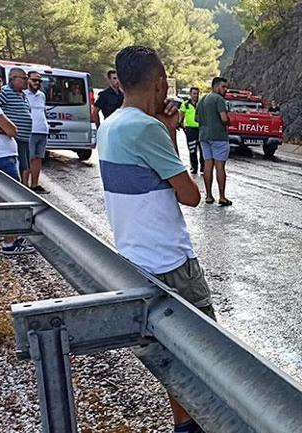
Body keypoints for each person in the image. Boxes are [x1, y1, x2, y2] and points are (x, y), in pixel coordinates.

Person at [97, 46, 215, 433]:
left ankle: (184, 425)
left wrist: (166, 131)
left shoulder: (112, 124)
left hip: (134, 261)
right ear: (160, 81)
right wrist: (170, 133)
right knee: (207, 358)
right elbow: (191, 195)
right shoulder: (146, 128)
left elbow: (149, 175)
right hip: (172, 264)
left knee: (170, 358)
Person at [0, 76, 35, 255]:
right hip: (3, 157)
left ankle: (11, 236)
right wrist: (5, 129)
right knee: (11, 200)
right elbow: (12, 130)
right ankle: (10, 242)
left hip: (5, 155)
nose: (0, 85)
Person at [196, 77, 232, 206]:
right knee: (220, 167)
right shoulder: (219, 99)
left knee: (208, 165)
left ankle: (209, 196)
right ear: (216, 86)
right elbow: (223, 118)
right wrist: (229, 121)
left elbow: (196, 118)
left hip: (204, 137)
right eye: (223, 87)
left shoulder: (202, 100)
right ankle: (222, 197)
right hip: (218, 137)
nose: (225, 89)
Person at [0, 68, 33, 188]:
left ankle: (26, 188)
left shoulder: (23, 95)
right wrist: (4, 128)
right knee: (14, 181)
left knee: (26, 165)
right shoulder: (5, 92)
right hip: (10, 140)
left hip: (23, 138)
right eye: (23, 78)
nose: (26, 80)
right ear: (13, 79)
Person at [24, 71, 50, 194]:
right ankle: (24, 185)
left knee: (38, 159)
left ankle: (35, 184)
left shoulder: (42, 95)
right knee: (28, 158)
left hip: (42, 130)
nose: (37, 83)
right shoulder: (23, 94)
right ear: (27, 80)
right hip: (29, 130)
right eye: (34, 80)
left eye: (39, 81)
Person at [179, 87, 204, 174]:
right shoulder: (185, 104)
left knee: (202, 150)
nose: (196, 96)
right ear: (190, 94)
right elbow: (181, 116)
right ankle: (194, 168)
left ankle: (203, 168)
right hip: (190, 130)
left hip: (201, 129)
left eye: (197, 93)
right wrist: (182, 126)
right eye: (194, 93)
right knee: (192, 149)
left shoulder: (201, 104)